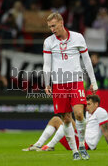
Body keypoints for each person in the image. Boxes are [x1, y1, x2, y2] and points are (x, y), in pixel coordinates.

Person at [42, 12, 98, 160]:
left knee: (79, 114)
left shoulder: (78, 37)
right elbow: (46, 65)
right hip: (58, 84)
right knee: (66, 119)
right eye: (49, 27)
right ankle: (74, 151)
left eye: (54, 26)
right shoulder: (48, 42)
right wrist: (47, 83)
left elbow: (86, 61)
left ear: (61, 23)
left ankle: (81, 146)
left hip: (76, 81)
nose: (52, 29)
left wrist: (93, 81)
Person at [22, 95, 108, 152]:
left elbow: (105, 132)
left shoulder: (101, 111)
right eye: (86, 104)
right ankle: (39, 144)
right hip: (80, 139)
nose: (86, 107)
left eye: (89, 104)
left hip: (84, 144)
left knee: (67, 121)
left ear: (96, 104)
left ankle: (49, 146)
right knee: (55, 119)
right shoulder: (88, 113)